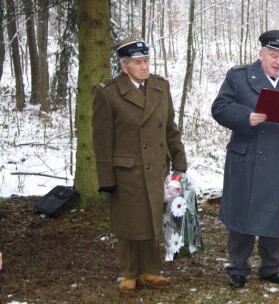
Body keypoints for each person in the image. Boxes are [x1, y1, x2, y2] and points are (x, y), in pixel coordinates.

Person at [211, 30, 279, 288]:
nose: (278, 61)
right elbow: (219, 108)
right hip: (246, 157)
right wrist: (246, 116)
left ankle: (270, 267)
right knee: (242, 212)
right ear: (261, 54)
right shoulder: (239, 77)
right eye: (273, 55)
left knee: (273, 212)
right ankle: (238, 267)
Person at [92, 36, 188, 293]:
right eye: (138, 62)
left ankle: (150, 271)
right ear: (124, 66)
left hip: (157, 165)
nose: (145, 67)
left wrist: (180, 161)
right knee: (129, 221)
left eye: (146, 60)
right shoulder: (108, 93)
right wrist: (106, 179)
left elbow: (170, 128)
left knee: (153, 219)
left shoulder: (160, 87)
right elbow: (102, 140)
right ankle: (129, 272)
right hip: (126, 169)